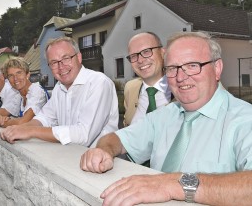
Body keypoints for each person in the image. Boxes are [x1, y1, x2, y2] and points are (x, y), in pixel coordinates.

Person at [80, 31, 252, 205]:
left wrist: (173, 185)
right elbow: (116, 138)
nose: (180, 77)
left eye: (192, 65)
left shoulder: (245, 119)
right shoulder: (164, 116)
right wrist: (103, 151)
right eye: (172, 69)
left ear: (217, 68)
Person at [0, 36, 119, 147]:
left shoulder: (99, 83)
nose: (61, 66)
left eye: (66, 58)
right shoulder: (59, 87)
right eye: (54, 62)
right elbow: (45, 117)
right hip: (71, 157)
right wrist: (19, 129)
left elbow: (84, 134)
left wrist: (31, 131)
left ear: (79, 57)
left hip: (100, 162)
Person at [124, 32, 172, 126]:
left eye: (146, 51)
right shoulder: (130, 88)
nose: (140, 60)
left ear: (162, 52)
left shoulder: (181, 87)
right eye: (133, 56)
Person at [0, 57, 48, 127]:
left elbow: (23, 122)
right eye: (11, 75)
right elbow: (16, 118)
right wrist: (4, 118)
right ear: (8, 80)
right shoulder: (19, 95)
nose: (15, 78)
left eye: (19, 73)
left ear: (27, 74)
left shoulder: (37, 91)